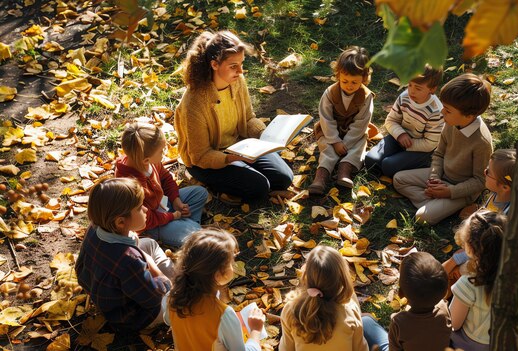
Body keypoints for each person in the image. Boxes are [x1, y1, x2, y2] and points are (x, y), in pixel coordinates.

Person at [174, 30, 293, 203]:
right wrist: (230, 158)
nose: (240, 71)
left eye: (242, 64)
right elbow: (200, 155)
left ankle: (241, 177)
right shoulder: (194, 102)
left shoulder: (237, 81)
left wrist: (267, 135)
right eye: (233, 66)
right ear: (215, 64)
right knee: (260, 188)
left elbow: (248, 119)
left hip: (240, 146)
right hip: (206, 161)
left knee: (284, 178)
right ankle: (220, 187)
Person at [75, 178, 175, 331]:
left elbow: (80, 267)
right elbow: (152, 299)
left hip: (102, 290)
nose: (146, 210)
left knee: (149, 243)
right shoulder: (129, 261)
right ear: (120, 222)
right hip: (130, 317)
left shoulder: (96, 226)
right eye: (140, 208)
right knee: (172, 296)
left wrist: (140, 254)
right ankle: (176, 289)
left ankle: (170, 281)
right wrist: (159, 274)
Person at [393, 73, 493, 225]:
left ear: (468, 116)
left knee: (422, 217)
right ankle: (436, 202)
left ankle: (438, 204)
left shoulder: (482, 143)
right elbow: (439, 154)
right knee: (398, 179)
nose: (441, 113)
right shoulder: (450, 122)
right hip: (443, 176)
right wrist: (435, 178)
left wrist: (450, 192)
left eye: (447, 110)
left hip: (461, 190)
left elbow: (480, 181)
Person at [166, 228, 266, 351]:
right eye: (231, 260)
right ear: (217, 274)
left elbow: (168, 320)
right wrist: (255, 331)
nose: (234, 264)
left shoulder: (171, 296)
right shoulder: (223, 315)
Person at [115, 122, 208, 248]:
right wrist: (172, 216)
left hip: (163, 204)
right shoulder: (129, 185)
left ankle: (186, 226)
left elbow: (165, 178)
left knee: (200, 193)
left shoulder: (148, 162)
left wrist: (176, 200)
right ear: (146, 160)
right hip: (153, 223)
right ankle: (187, 230)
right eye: (161, 151)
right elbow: (147, 219)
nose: (164, 152)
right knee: (197, 233)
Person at [442, 148, 516, 286]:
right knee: (452, 265)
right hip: (476, 247)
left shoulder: (506, 215)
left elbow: (488, 249)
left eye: (488, 172)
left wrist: (459, 257)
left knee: (455, 270)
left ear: (505, 187)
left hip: (486, 258)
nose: (484, 172)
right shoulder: (495, 195)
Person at [308, 46, 374, 195]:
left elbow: (361, 123)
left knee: (359, 144)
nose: (349, 86)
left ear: (364, 79)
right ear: (338, 75)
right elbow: (326, 118)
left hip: (354, 133)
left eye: (354, 82)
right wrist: (336, 141)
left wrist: (347, 143)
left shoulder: (366, 96)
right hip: (330, 131)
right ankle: (321, 177)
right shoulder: (330, 93)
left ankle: (345, 170)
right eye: (345, 81)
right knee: (327, 147)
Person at [279, 245, 368, 350]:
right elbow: (361, 348)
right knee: (368, 320)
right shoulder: (349, 309)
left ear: (306, 276)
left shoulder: (291, 309)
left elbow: (285, 349)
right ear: (342, 277)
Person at [364, 65, 444, 177]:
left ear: (432, 89)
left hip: (421, 149)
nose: (411, 91)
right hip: (398, 137)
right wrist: (400, 134)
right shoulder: (404, 97)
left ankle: (424, 162)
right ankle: (396, 159)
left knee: (388, 165)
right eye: (410, 85)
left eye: (418, 88)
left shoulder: (436, 111)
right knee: (371, 159)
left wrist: (408, 145)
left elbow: (430, 143)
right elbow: (391, 120)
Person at [362, 252, 451, 351]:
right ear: (444, 292)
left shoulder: (399, 323)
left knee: (365, 320)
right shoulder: (444, 308)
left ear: (401, 293)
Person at [449, 210, 506, 350]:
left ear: (469, 248)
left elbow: (454, 324)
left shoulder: (468, 284)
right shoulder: (517, 277)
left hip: (470, 343)